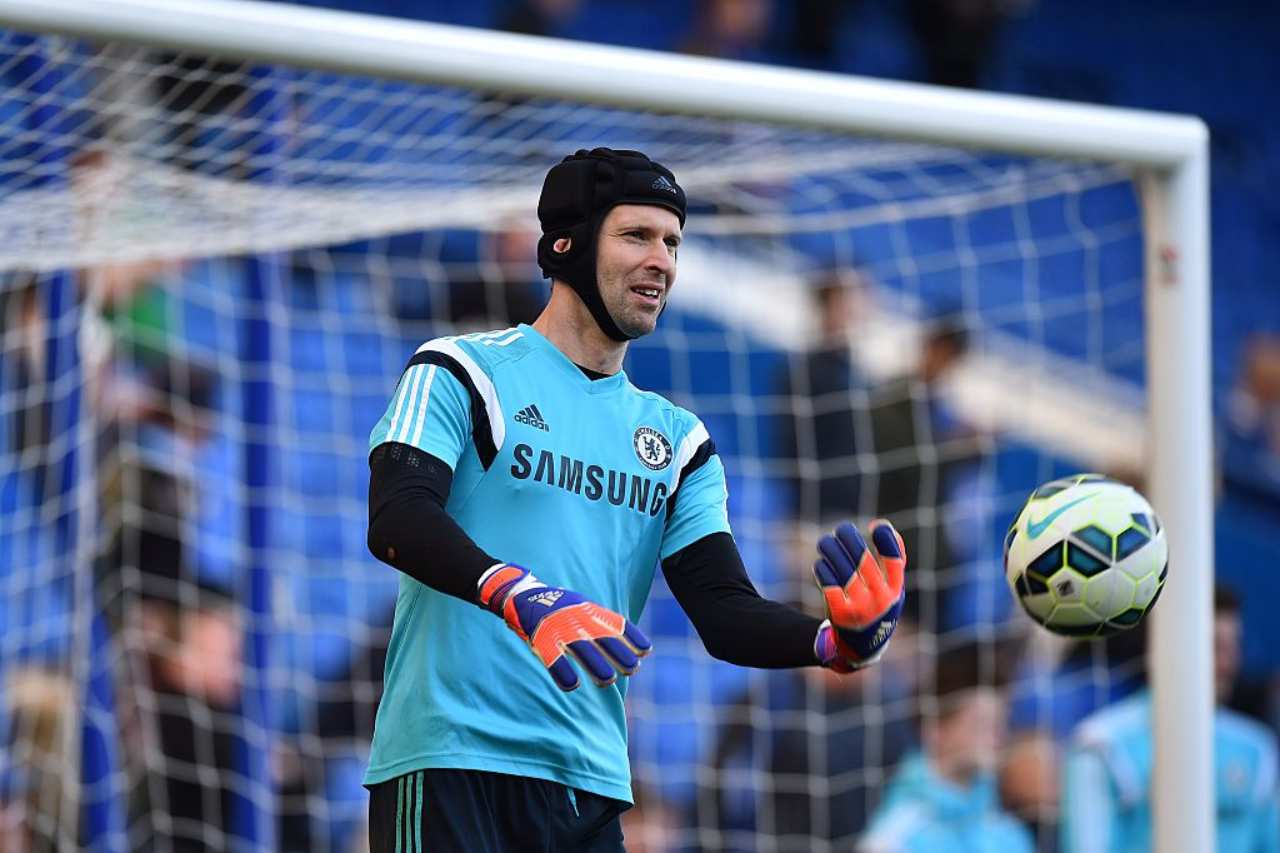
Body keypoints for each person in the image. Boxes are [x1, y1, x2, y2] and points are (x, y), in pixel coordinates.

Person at [362, 147, 909, 852]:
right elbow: (398, 517)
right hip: (450, 759)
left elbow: (724, 610)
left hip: (588, 780)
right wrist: (518, 593)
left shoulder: (680, 442)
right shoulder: (461, 370)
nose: (663, 260)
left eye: (674, 242)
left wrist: (833, 642)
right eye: (637, 236)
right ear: (567, 244)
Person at [1061, 586, 1280, 853]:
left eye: (1233, 647)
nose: (1228, 663)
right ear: (1163, 648)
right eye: (1215, 647)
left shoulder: (1256, 749)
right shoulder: (1102, 746)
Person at [859, 640, 1034, 853]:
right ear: (934, 730)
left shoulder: (1008, 832)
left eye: (1001, 723)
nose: (997, 736)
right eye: (981, 724)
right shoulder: (893, 837)